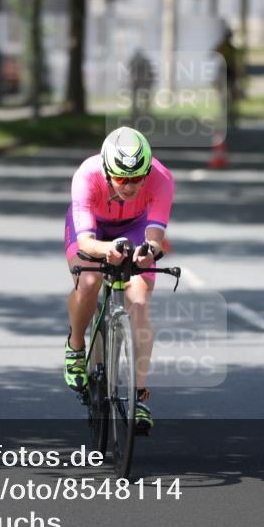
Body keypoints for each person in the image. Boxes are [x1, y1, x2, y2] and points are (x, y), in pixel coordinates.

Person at [64, 127, 175, 433]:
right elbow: (86, 242)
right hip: (94, 230)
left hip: (136, 227)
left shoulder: (162, 179)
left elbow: (155, 238)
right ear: (106, 170)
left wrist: (148, 252)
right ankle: (76, 346)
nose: (130, 186)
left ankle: (139, 397)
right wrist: (107, 250)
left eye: (137, 178)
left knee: (138, 301)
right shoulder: (86, 176)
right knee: (89, 282)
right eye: (122, 179)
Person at [214, 26, 242, 128]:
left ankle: (231, 116)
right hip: (225, 71)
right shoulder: (225, 47)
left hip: (229, 72)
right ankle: (228, 115)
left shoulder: (230, 48)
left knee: (231, 94)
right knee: (224, 94)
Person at [128, 49, 155, 122]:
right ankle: (137, 112)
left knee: (146, 97)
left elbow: (150, 75)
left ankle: (146, 112)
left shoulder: (144, 64)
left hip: (144, 82)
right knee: (137, 98)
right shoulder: (141, 63)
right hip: (138, 82)